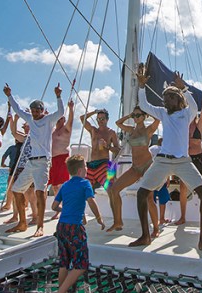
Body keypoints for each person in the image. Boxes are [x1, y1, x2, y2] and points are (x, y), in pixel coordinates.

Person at [130, 66, 202, 255]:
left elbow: (193, 106)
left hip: (183, 161)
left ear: (179, 100)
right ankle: (145, 235)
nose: (166, 100)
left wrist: (183, 87)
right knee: (142, 193)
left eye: (170, 97)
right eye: (165, 97)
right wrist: (142, 87)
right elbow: (144, 106)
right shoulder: (162, 113)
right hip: (162, 161)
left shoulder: (186, 114)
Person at [5, 82, 64, 237]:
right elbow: (17, 108)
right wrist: (9, 95)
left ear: (42, 110)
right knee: (16, 190)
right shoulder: (30, 119)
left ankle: (40, 226)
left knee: (39, 193)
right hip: (31, 162)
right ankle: (22, 223)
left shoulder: (49, 120)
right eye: (32, 111)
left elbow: (61, 112)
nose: (34, 113)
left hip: (43, 161)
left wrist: (58, 96)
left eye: (37, 110)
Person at [51, 154, 104, 293]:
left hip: (62, 226)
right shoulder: (85, 183)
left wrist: (66, 209)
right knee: (81, 265)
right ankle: (61, 291)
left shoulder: (65, 185)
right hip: (75, 227)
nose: (87, 169)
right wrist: (99, 217)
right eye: (85, 166)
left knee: (64, 262)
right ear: (81, 170)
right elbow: (91, 201)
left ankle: (61, 289)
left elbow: (54, 206)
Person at [106, 106, 160, 232]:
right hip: (135, 167)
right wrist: (129, 115)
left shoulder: (148, 130)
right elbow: (118, 123)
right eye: (134, 115)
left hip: (147, 165)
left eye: (138, 115)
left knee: (149, 198)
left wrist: (148, 112)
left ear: (143, 116)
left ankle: (156, 228)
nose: (135, 118)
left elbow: (157, 120)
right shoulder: (131, 130)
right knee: (114, 189)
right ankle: (118, 222)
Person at [176, 81, 202, 227]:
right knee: (182, 188)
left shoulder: (199, 125)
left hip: (199, 159)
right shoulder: (183, 125)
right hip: (186, 160)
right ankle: (182, 217)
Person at [79, 109, 119, 190]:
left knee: (110, 188)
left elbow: (118, 150)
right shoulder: (93, 130)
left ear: (107, 120)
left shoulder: (111, 133)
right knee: (85, 190)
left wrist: (108, 146)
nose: (100, 121)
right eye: (98, 119)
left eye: (102, 119)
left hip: (103, 164)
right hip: (92, 164)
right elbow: (82, 118)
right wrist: (94, 112)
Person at [49, 99, 75, 218]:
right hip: (53, 159)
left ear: (63, 120)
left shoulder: (66, 129)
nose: (59, 121)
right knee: (54, 186)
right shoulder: (53, 131)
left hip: (63, 158)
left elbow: (71, 120)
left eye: (61, 119)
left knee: (63, 185)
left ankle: (66, 207)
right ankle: (58, 209)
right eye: (57, 119)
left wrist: (70, 108)